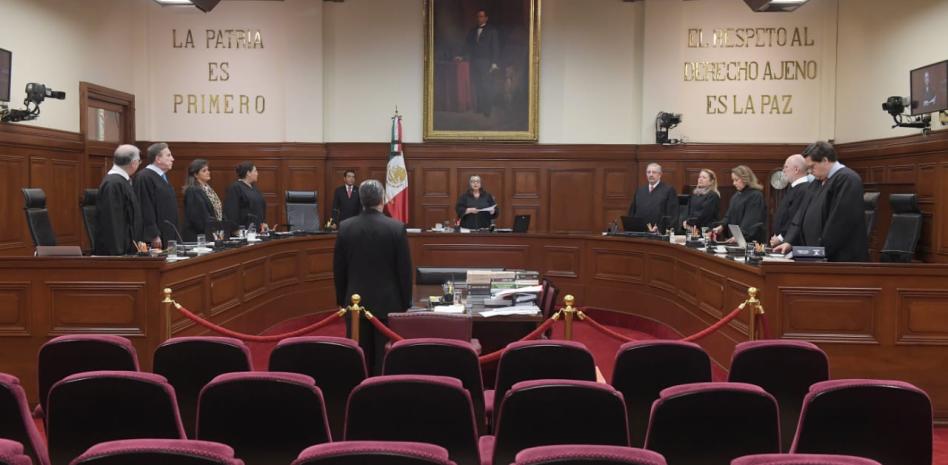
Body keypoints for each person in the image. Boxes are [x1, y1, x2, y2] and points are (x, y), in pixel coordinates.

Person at [333, 179, 412, 375]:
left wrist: (343, 301)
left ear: (361, 200)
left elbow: (339, 269)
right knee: (384, 359)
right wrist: (405, 303)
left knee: (359, 357)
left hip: (355, 303)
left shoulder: (345, 227)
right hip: (389, 303)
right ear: (382, 199)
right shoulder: (396, 228)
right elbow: (404, 271)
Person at [775, 141, 868, 262]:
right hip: (817, 255)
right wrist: (789, 241)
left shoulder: (847, 180)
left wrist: (819, 251)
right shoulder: (817, 182)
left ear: (825, 160)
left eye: (812, 167)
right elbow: (801, 214)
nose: (809, 171)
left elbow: (839, 223)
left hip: (839, 258)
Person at [95, 144, 145, 256]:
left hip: (128, 250)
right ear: (134, 163)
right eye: (139, 161)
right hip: (117, 255)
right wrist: (118, 254)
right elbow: (113, 221)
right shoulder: (114, 184)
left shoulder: (121, 181)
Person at [456, 8, 500, 117]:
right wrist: (461, 56)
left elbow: (495, 48)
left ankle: (487, 109)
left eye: (481, 16)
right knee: (477, 84)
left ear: (486, 18)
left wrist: (494, 63)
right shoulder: (472, 31)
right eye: (478, 16)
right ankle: (480, 107)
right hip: (474, 61)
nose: (479, 18)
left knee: (486, 85)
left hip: (486, 62)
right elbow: (467, 45)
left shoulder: (492, 31)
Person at [135, 142, 179, 249]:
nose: (172, 159)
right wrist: (153, 234)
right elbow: (145, 207)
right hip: (157, 237)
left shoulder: (162, 176)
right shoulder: (144, 177)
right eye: (168, 155)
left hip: (168, 232)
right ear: (158, 159)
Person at [713, 165, 767, 244]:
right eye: (733, 180)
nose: (734, 183)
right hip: (736, 239)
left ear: (746, 179)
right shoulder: (736, 196)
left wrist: (739, 235)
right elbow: (729, 216)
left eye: (736, 180)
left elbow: (751, 220)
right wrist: (721, 226)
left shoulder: (756, 196)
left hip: (749, 241)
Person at [769, 154, 811, 246]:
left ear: (796, 169)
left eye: (786, 167)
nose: (783, 170)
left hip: (791, 243)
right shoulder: (794, 188)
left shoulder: (804, 189)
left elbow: (795, 217)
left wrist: (781, 237)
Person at [628, 163, 678, 232]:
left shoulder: (668, 190)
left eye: (654, 172)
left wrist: (661, 229)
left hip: (659, 233)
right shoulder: (640, 191)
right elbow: (632, 213)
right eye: (648, 172)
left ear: (660, 174)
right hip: (640, 232)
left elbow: (672, 214)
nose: (651, 175)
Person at [182, 159, 223, 242]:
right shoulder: (192, 190)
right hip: (198, 235)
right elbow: (197, 216)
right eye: (204, 171)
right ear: (195, 174)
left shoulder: (208, 189)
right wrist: (215, 227)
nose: (208, 172)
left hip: (211, 232)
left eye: (208, 170)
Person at [223, 161, 268, 232]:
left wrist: (263, 222)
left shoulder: (254, 188)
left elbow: (260, 207)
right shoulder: (235, 188)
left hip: (258, 230)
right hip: (243, 231)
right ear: (248, 173)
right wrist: (235, 229)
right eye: (255, 171)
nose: (257, 173)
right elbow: (231, 211)